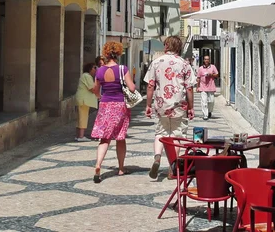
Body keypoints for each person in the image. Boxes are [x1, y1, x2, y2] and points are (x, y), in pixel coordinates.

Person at [144, 36, 196, 179]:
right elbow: (189, 88)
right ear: (179, 47)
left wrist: (148, 105)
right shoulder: (185, 64)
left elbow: (150, 85)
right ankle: (172, 169)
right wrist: (191, 107)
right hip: (179, 105)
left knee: (161, 132)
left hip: (161, 104)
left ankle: (157, 157)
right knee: (177, 135)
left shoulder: (156, 62)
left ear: (166, 46)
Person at [91, 42, 137, 183]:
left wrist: (100, 98)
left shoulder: (99, 71)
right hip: (119, 105)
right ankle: (121, 168)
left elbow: (95, 90)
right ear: (118, 53)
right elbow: (132, 88)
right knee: (120, 136)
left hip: (105, 104)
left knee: (104, 138)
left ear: (105, 53)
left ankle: (98, 164)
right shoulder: (122, 69)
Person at [74, 62, 99, 142]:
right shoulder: (87, 76)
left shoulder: (85, 76)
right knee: (83, 118)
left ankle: (78, 135)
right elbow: (92, 89)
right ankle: (81, 136)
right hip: (84, 100)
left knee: (80, 118)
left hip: (82, 99)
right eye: (94, 68)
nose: (95, 70)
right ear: (90, 69)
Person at [196, 55, 218, 120]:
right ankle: (205, 115)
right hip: (203, 87)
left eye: (208, 59)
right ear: (203, 60)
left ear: (209, 60)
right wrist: (197, 87)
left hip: (211, 87)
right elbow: (198, 78)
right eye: (205, 59)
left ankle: (209, 111)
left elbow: (217, 75)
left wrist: (211, 74)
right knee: (204, 101)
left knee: (211, 101)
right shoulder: (200, 68)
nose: (206, 60)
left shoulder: (213, 67)